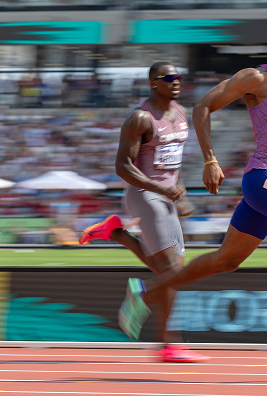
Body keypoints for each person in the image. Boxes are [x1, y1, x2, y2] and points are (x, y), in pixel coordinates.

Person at [119, 13, 267, 343]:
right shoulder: (256, 78)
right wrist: (210, 159)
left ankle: (144, 294)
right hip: (263, 179)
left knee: (226, 261)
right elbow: (202, 107)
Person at [78, 62, 210, 363]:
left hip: (167, 197)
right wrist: (161, 190)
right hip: (144, 195)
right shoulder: (140, 118)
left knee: (171, 273)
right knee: (171, 273)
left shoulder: (181, 114)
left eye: (179, 77)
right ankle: (151, 314)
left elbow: (174, 162)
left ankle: (116, 232)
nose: (176, 82)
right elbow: (122, 166)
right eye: (169, 78)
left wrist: (181, 194)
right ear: (154, 83)